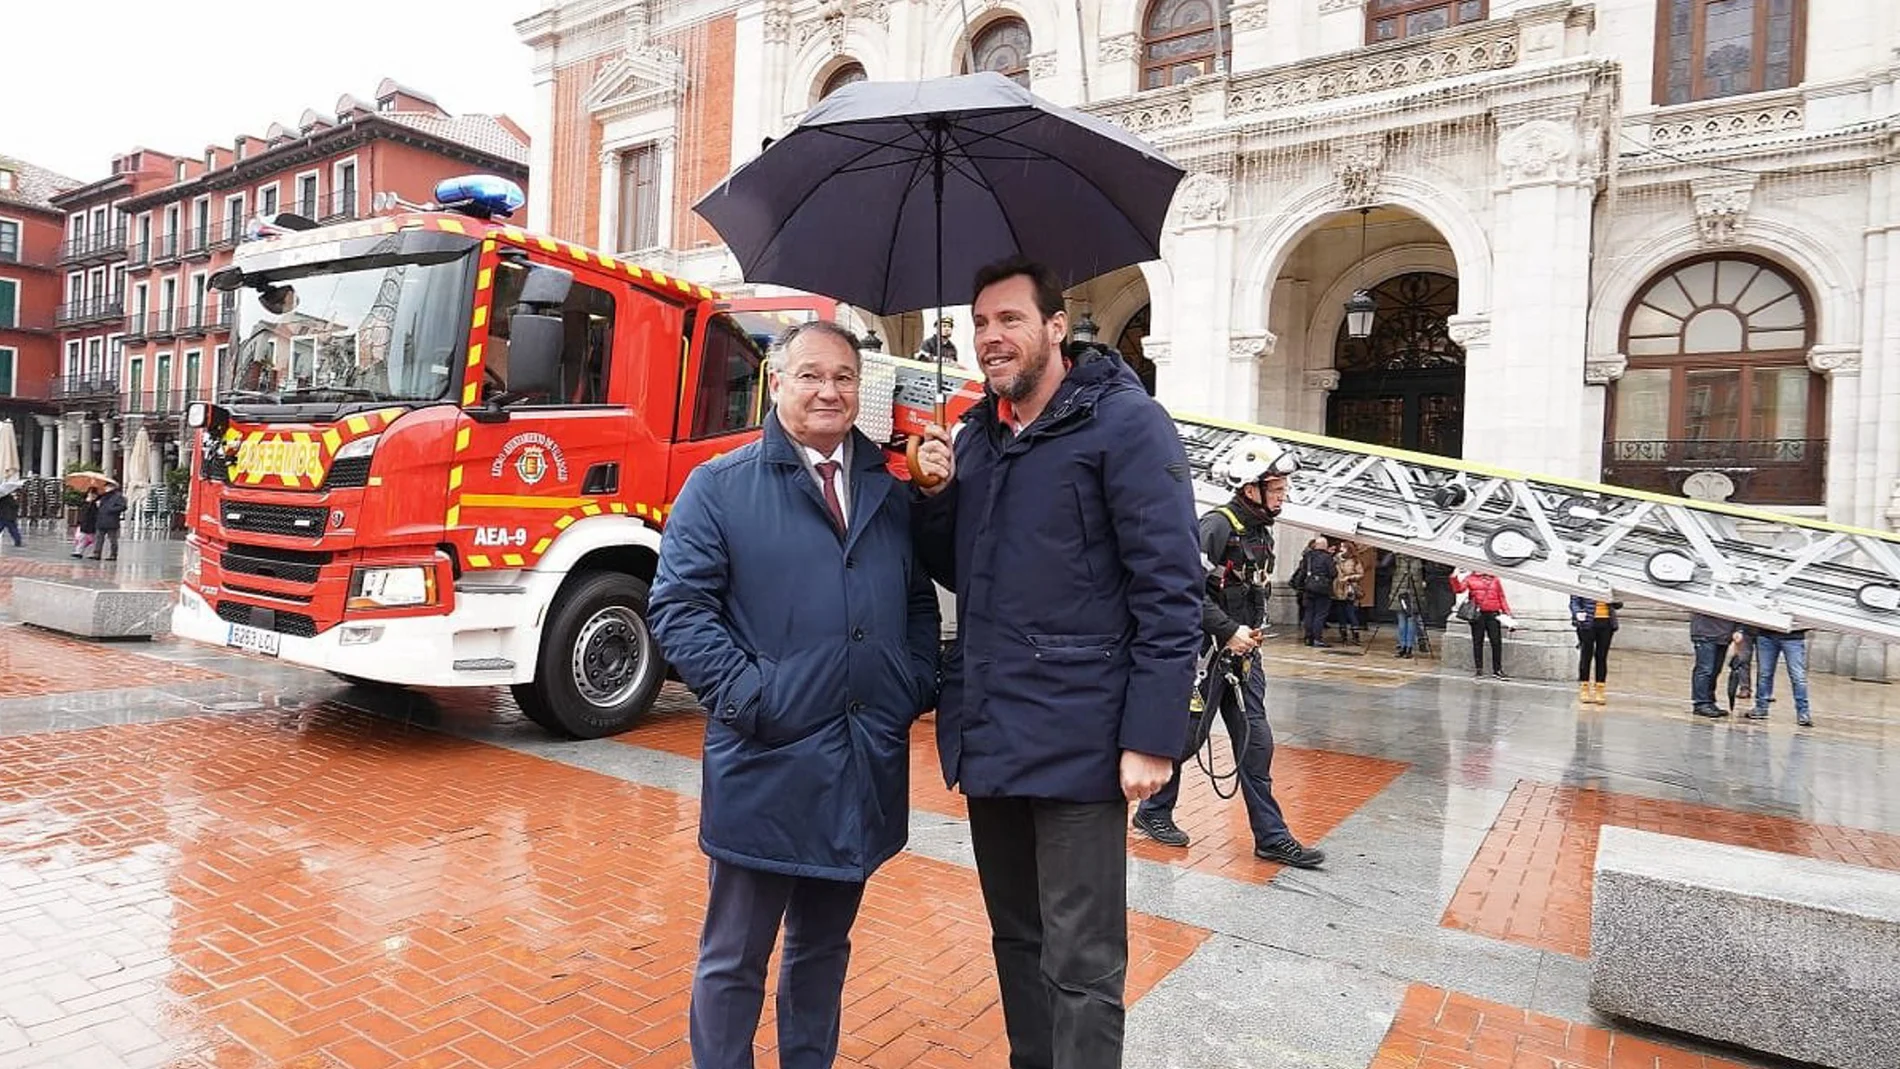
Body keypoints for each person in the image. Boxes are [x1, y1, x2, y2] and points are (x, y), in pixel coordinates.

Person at [912, 256, 1201, 1069]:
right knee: (1016, 940)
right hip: (992, 728)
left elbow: (1171, 587)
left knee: (1082, 960)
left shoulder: (1126, 423)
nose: (990, 337)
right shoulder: (975, 436)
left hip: (1081, 738)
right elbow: (956, 568)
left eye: (1008, 319)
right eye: (979, 323)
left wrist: (1152, 734)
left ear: (1054, 327)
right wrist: (933, 495)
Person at [649, 319, 941, 1069]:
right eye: (810, 374)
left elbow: (914, 599)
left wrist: (910, 680)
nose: (828, 390)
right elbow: (680, 609)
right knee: (734, 956)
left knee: (822, 952)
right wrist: (754, 698)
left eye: (844, 377)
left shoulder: (887, 490)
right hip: (766, 763)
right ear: (776, 382)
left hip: (859, 762)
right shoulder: (720, 486)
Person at [1129, 443, 1327, 869]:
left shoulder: (1261, 531)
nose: (1282, 494)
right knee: (1185, 740)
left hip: (1243, 660)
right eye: (1275, 487)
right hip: (1204, 659)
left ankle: (1272, 837)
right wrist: (1228, 629)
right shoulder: (1216, 527)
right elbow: (1182, 590)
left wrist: (1249, 633)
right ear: (1250, 488)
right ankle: (1152, 811)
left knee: (1256, 744)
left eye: (1283, 486)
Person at [1450, 569, 1512, 679]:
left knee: (1496, 641)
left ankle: (1497, 670)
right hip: (1478, 614)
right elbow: (1459, 589)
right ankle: (1479, 669)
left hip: (1493, 614)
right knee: (1478, 641)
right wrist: (1454, 577)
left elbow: (1501, 597)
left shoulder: (1495, 579)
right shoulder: (1470, 578)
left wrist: (1508, 614)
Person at [1751, 625, 1813, 726]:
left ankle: (1803, 712)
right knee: (1764, 674)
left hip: (1793, 637)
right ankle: (1761, 707)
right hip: (1767, 635)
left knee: (1798, 677)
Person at [1688, 612, 1745, 718]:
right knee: (1705, 669)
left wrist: (1738, 629)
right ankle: (1701, 703)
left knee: (1715, 670)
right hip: (1704, 632)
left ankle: (1709, 701)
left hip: (1724, 635)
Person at [1570, 596, 1619, 704]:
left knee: (1601, 657)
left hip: (1607, 623)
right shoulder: (1583, 580)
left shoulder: (1609, 583)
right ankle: (1584, 688)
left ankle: (1600, 690)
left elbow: (1619, 605)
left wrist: (1614, 599)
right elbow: (1574, 602)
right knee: (1586, 655)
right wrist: (1577, 613)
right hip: (1587, 622)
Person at [1295, 536, 1337, 648]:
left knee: (1309, 612)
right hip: (1323, 589)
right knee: (1320, 614)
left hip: (1308, 588)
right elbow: (1333, 573)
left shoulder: (1307, 556)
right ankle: (1317, 639)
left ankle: (1308, 637)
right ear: (1324, 546)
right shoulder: (1327, 557)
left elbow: (1302, 572)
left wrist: (1300, 586)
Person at [1391, 553, 1426, 658]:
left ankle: (1402, 646)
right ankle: (1408, 648)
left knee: (1402, 621)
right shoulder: (1418, 561)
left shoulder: (1399, 560)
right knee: (1411, 621)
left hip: (1400, 595)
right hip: (1413, 595)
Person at [1331, 540, 1365, 645]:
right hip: (1338, 587)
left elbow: (1361, 574)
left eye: (1343, 547)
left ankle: (1356, 636)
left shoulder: (1355, 560)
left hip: (1350, 588)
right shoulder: (1335, 559)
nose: (1340, 549)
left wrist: (1349, 578)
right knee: (1340, 612)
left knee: (1350, 612)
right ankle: (1343, 635)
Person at [91, 479, 126, 561]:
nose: (106, 488)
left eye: (108, 486)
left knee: (113, 539)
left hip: (112, 521)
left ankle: (113, 554)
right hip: (101, 520)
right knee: (99, 538)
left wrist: (110, 509)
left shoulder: (118, 496)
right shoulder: (103, 496)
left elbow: (123, 507)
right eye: (106, 486)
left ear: (113, 487)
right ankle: (97, 553)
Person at [72, 487, 99, 558]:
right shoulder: (84, 502)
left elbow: (96, 514)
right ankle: (78, 552)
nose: (92, 496)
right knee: (81, 538)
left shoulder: (96, 504)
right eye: (90, 494)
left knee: (93, 540)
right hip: (84, 523)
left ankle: (92, 553)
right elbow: (82, 513)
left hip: (93, 524)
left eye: (94, 494)